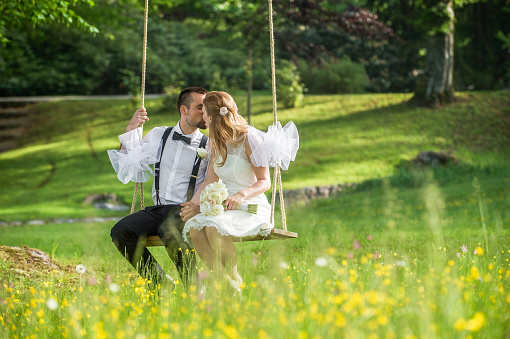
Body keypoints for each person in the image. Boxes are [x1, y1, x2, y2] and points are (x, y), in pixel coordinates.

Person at [109, 86, 208, 288]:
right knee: (121, 231)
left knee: (169, 230)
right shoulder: (158, 135)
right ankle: (159, 282)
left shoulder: (210, 144)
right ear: (184, 109)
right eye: (199, 107)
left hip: (188, 209)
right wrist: (131, 129)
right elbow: (129, 163)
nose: (205, 113)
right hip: (159, 209)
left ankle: (194, 286)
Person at [180, 91, 275, 291]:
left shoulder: (249, 138)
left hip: (251, 205)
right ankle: (226, 283)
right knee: (195, 227)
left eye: (204, 112)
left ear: (212, 117)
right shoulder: (216, 142)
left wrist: (241, 195)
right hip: (226, 207)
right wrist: (194, 205)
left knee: (213, 226)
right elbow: (211, 179)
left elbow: (265, 182)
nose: (203, 117)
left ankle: (234, 278)